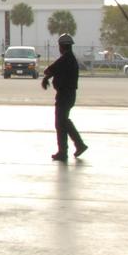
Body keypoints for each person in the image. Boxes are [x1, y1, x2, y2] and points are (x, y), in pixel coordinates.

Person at [41, 32, 87, 161]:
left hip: (65, 95)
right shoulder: (70, 58)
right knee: (63, 122)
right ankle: (75, 146)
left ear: (62, 46)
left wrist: (46, 77)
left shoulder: (66, 59)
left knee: (61, 122)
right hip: (68, 95)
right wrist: (47, 77)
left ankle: (69, 149)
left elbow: (49, 70)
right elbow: (53, 70)